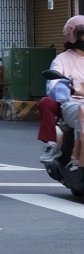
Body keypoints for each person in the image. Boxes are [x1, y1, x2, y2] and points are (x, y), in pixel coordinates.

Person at [44, 16, 84, 171]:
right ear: (72, 35)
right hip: (73, 103)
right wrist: (68, 89)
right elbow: (53, 85)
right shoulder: (62, 59)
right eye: (83, 33)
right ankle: (76, 159)